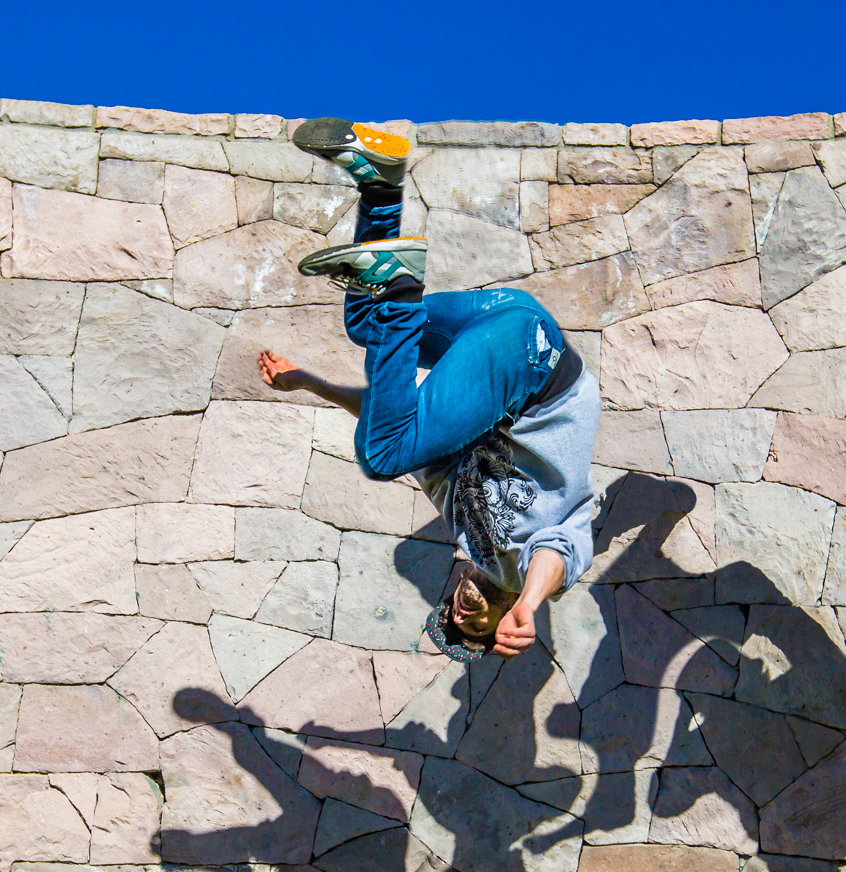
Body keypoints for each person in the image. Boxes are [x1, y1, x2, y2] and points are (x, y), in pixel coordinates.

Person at [257, 118, 601, 661]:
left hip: (506, 327)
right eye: (473, 629)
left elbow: (392, 420)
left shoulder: (459, 515)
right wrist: (530, 605)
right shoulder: (523, 565)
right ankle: (400, 286)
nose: (459, 614)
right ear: (499, 626)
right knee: (380, 454)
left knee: (368, 325)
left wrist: (311, 383)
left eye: (448, 617)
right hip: (538, 369)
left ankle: (381, 177)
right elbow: (560, 551)